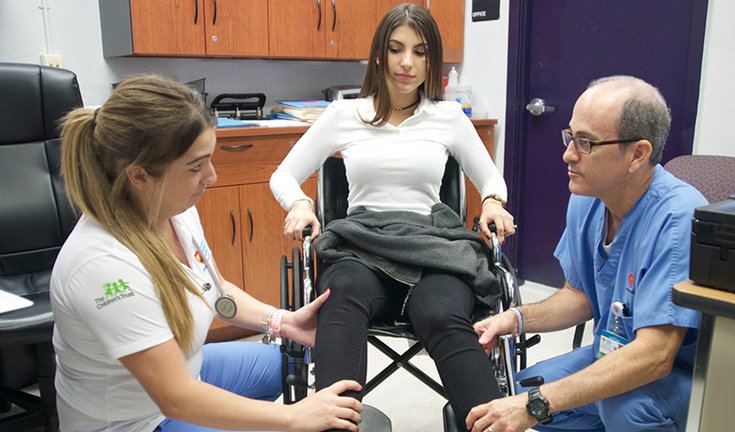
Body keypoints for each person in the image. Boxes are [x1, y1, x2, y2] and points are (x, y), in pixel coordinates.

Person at [51, 74, 363, 432]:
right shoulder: (103, 266)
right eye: (196, 167)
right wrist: (294, 418)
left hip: (188, 370)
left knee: (293, 362)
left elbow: (213, 289)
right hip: (137, 421)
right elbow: (176, 398)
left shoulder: (175, 211)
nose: (211, 176)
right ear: (139, 176)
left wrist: (282, 322)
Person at [269, 3, 516, 430]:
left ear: (431, 58)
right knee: (340, 296)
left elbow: (491, 175)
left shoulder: (448, 116)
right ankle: (333, 424)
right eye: (397, 49)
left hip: (433, 248)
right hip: (361, 244)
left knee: (441, 313)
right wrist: (301, 204)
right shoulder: (345, 114)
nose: (407, 63)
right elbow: (284, 174)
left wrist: (492, 200)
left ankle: (491, 424)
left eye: (420, 52)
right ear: (379, 54)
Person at [466, 76, 708, 432]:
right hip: (615, 350)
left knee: (623, 406)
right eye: (570, 136)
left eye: (586, 143)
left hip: (688, 373)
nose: (568, 154)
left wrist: (537, 405)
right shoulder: (588, 199)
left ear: (638, 154)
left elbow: (655, 357)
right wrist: (514, 319)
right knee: (521, 389)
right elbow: (579, 296)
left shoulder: (677, 219)